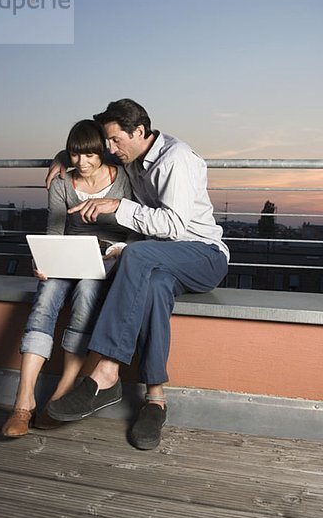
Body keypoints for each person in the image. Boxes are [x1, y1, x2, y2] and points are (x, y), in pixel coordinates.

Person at [45, 99, 230, 450]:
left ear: (140, 132)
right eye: (107, 142)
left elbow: (173, 226)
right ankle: (155, 400)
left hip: (204, 256)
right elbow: (89, 153)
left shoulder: (176, 160)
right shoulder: (131, 155)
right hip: (165, 264)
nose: (110, 150)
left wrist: (118, 205)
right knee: (155, 286)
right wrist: (61, 156)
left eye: (115, 141)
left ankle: (105, 372)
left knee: (138, 252)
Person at [2, 119, 133, 437]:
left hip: (107, 258)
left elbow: (132, 229)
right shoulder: (63, 180)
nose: (82, 163)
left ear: (103, 151)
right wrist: (42, 260)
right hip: (67, 255)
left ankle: (62, 392)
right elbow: (54, 230)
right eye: (75, 155)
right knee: (45, 296)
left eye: (89, 155)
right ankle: (24, 401)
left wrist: (116, 251)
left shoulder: (123, 177)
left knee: (88, 294)